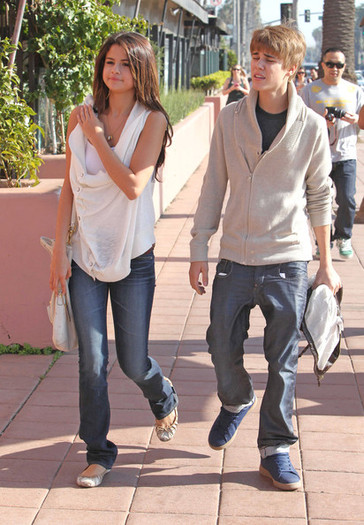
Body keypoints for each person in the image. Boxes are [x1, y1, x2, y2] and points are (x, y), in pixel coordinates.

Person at [189, 25, 341, 491]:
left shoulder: (312, 127)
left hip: (288, 257)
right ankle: (236, 400)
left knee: (283, 361)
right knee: (220, 343)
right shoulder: (231, 119)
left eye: (268, 59)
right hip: (235, 254)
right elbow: (214, 184)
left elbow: (320, 194)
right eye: (255, 56)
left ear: (292, 69)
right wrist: (199, 247)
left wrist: (326, 262)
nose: (257, 65)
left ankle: (275, 448)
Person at [50, 32, 178, 488]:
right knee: (92, 359)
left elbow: (132, 185)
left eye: (125, 63)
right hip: (85, 255)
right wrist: (60, 253)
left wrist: (98, 137)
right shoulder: (79, 114)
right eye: (109, 61)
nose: (115, 70)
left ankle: (161, 395)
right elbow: (69, 187)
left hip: (133, 256)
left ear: (141, 69)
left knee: (133, 360)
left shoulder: (153, 120)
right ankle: (99, 453)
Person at [301, 48, 364, 259]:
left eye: (339, 65)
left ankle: (343, 236)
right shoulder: (310, 91)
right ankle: (322, 242)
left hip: (345, 154)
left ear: (345, 67)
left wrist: (355, 119)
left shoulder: (354, 90)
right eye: (330, 64)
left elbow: (363, 122)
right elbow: (300, 122)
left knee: (347, 199)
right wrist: (322, 122)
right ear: (322, 65)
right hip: (319, 155)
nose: (334, 69)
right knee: (320, 201)